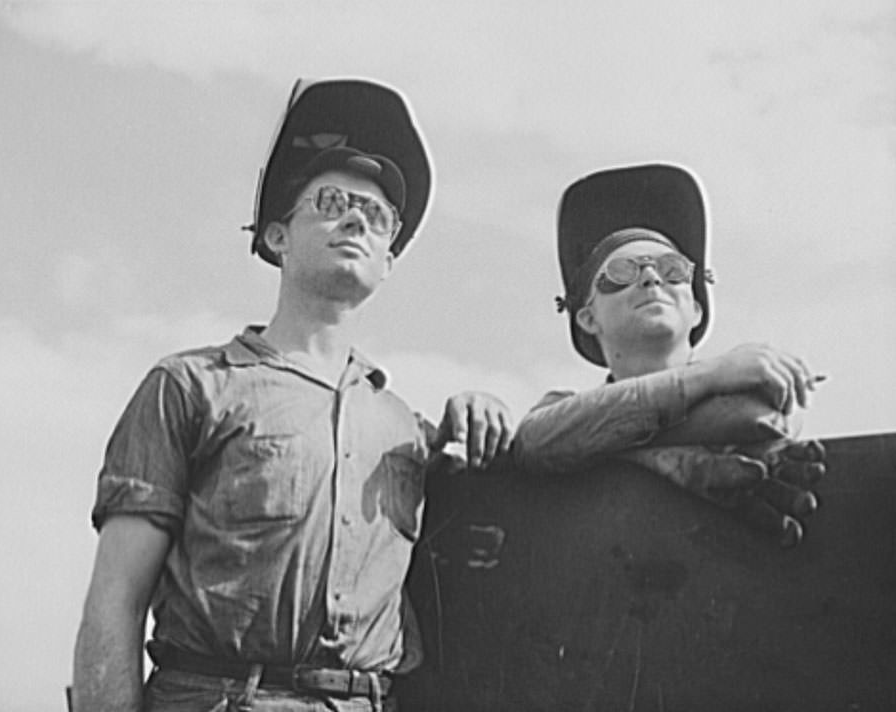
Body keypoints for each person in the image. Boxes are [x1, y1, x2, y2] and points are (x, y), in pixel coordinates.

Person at [71, 78, 512, 712]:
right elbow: (115, 600)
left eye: (380, 216)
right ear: (277, 236)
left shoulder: (407, 432)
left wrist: (483, 407)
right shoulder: (192, 386)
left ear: (388, 261)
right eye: (331, 201)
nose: (357, 218)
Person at [514, 163, 825, 547]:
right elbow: (534, 440)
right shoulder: (560, 407)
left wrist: (609, 445)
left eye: (673, 269)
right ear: (588, 317)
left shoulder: (749, 384)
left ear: (695, 308)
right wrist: (710, 377)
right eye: (620, 272)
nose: (650, 277)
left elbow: (756, 417)